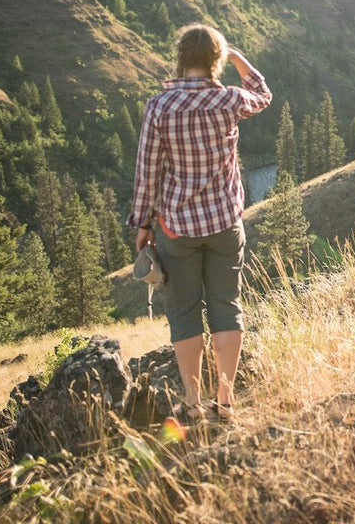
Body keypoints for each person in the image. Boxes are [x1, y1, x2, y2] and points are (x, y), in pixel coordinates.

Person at [127, 23, 271, 421]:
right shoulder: (228, 100)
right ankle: (225, 403)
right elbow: (263, 95)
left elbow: (147, 171)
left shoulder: (160, 107)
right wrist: (239, 59)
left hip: (177, 228)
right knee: (227, 306)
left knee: (185, 311)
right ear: (215, 61)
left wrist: (143, 223)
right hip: (225, 223)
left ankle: (192, 403)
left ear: (180, 58)